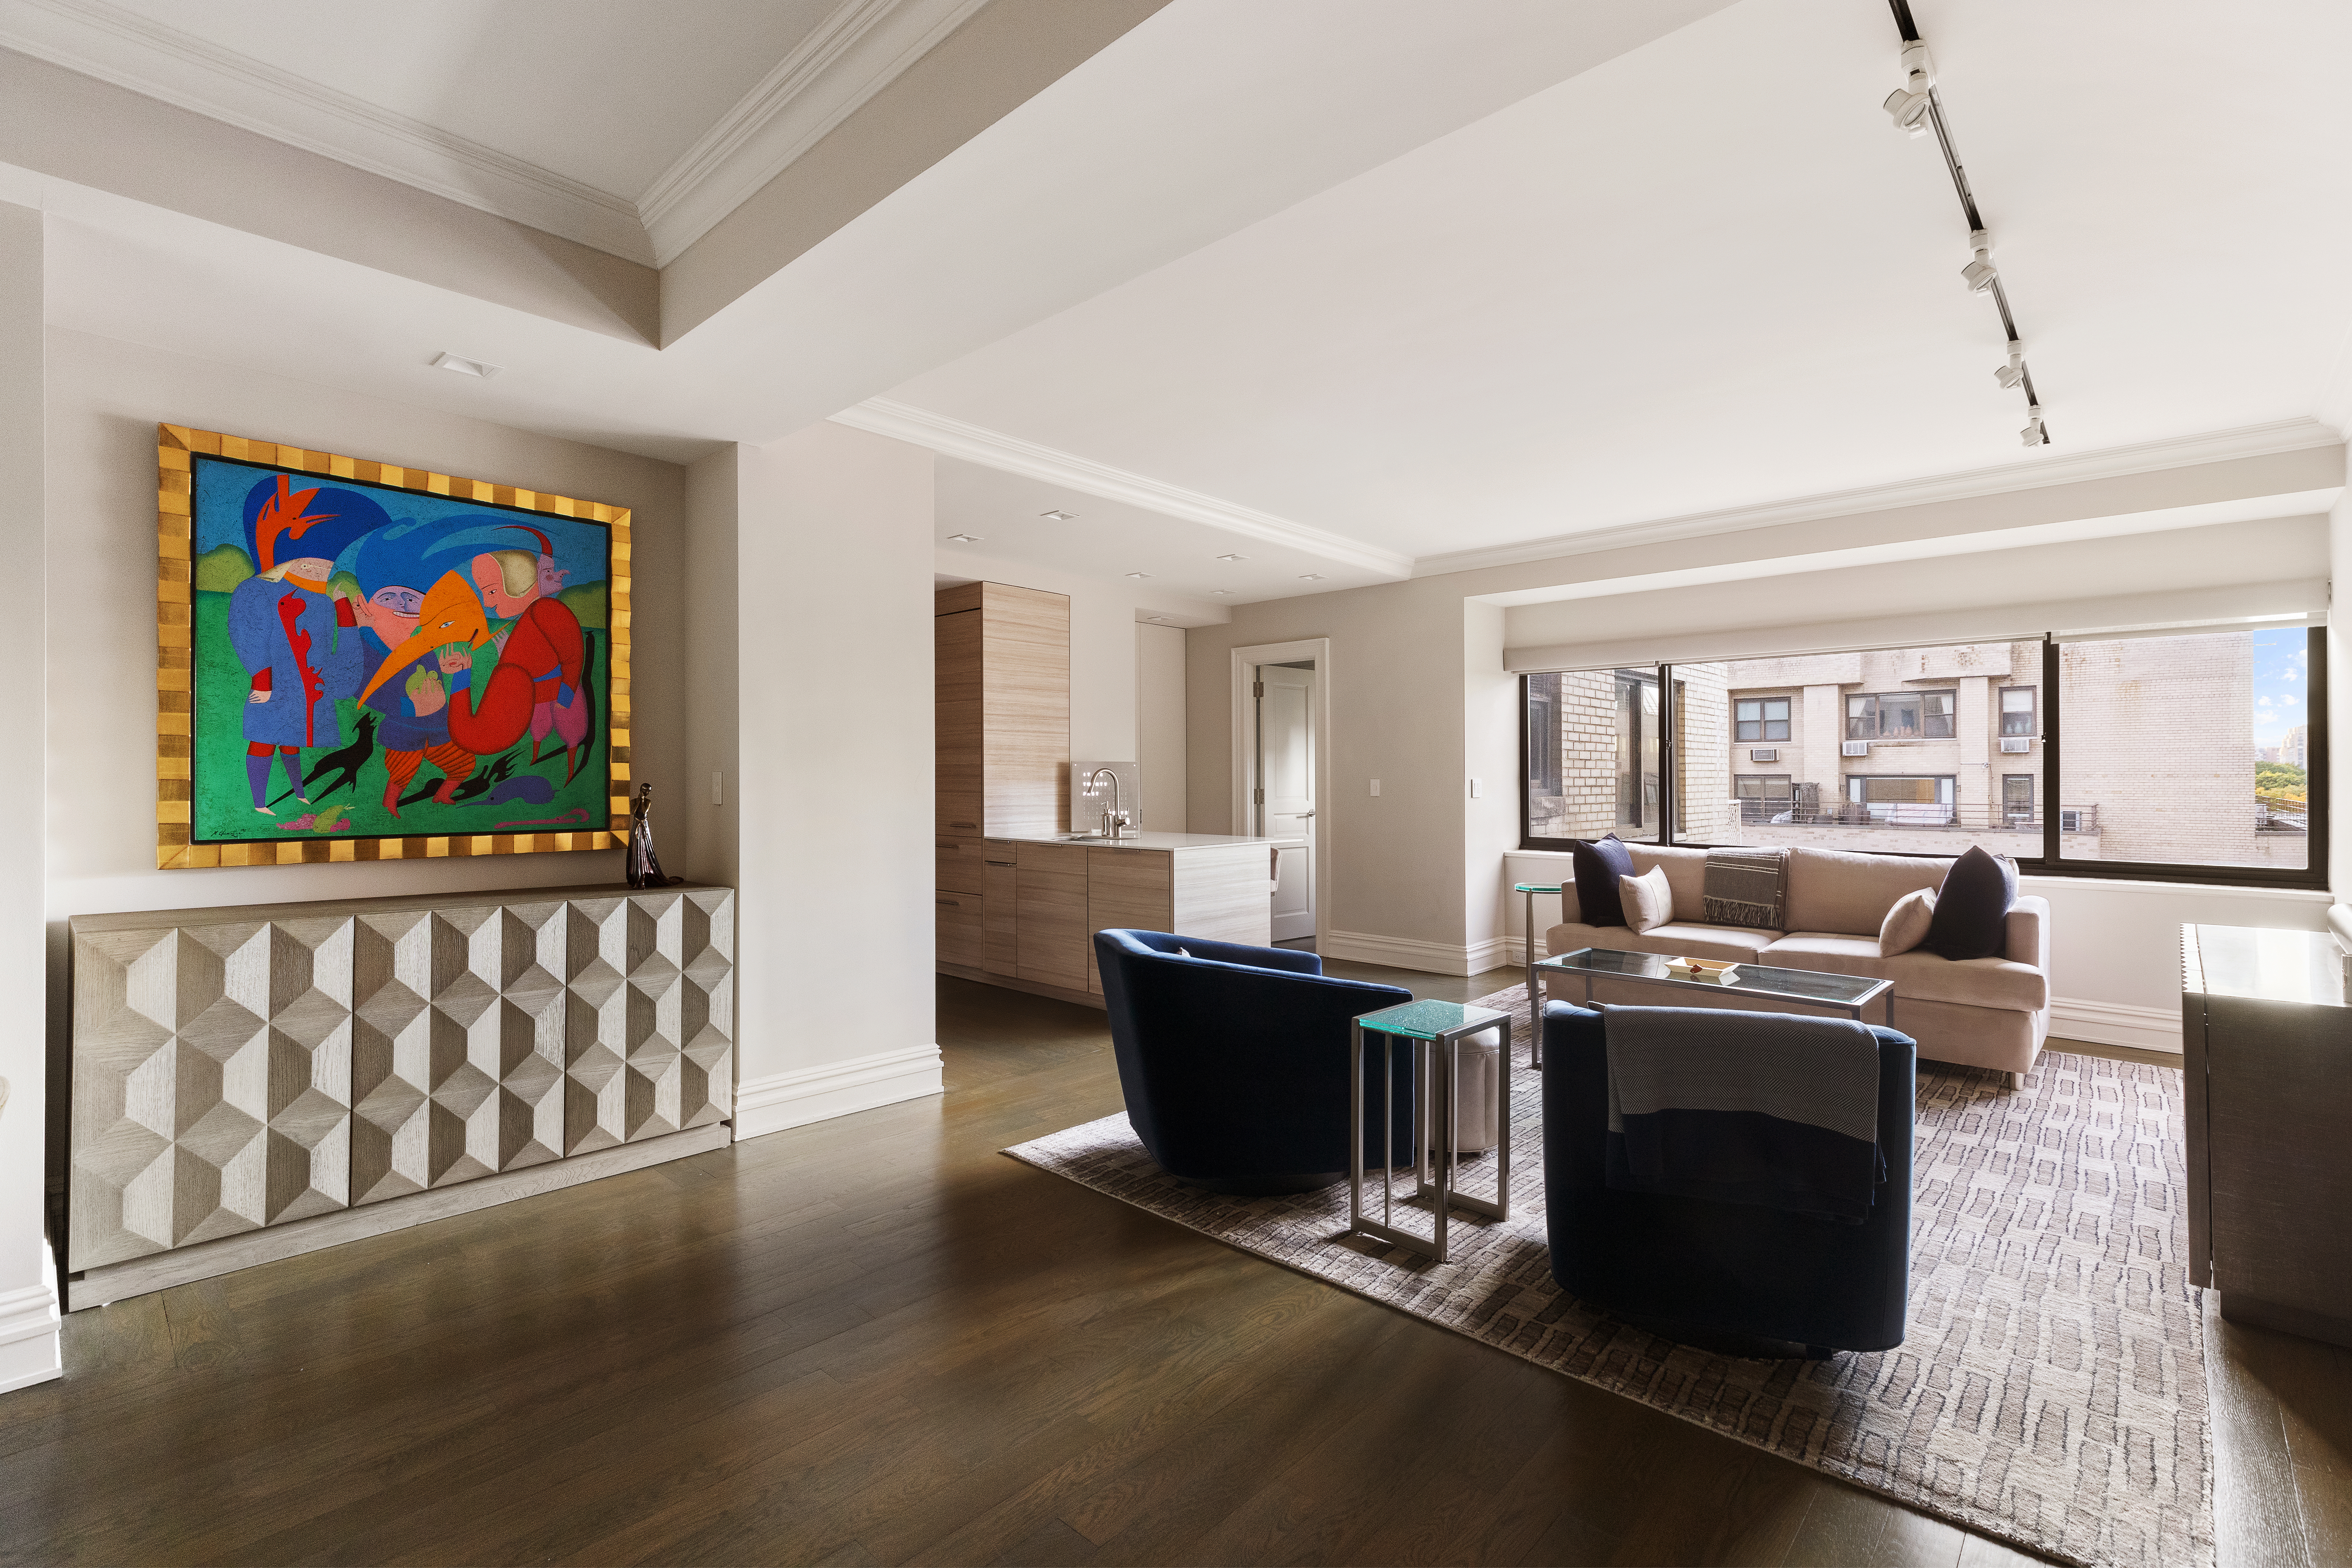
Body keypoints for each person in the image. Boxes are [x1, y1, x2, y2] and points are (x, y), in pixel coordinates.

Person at [225, 476, 381, 814]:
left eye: (326, 567)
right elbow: (248, 634)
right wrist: (262, 679)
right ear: (292, 562)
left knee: (294, 741)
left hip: (309, 690)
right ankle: (258, 803)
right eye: (314, 565)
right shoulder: (255, 590)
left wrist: (347, 617)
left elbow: (336, 664)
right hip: (275, 684)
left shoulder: (325, 603)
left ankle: (298, 792)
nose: (320, 572)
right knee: (265, 740)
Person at [339, 521, 478, 815]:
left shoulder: (426, 645)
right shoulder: (366, 649)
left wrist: (454, 671)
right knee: (402, 773)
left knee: (463, 764)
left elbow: (437, 679)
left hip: (441, 727)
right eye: (388, 597)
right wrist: (411, 707)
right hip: (405, 729)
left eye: (412, 599)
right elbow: (363, 691)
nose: (401, 604)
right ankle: (390, 804)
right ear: (367, 605)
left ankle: (441, 796)